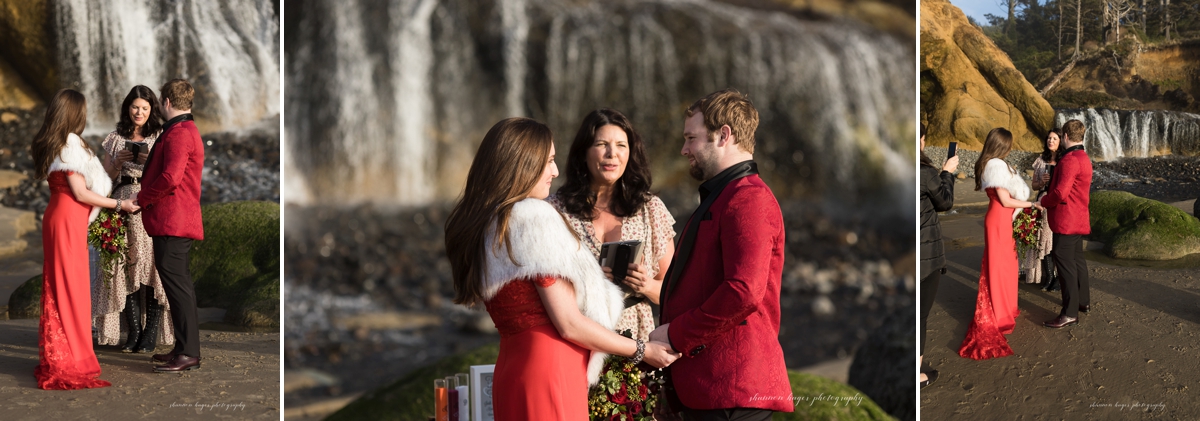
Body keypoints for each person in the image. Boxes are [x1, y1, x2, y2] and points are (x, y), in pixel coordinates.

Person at [444, 117, 680, 419]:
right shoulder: (534, 219)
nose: (555, 172)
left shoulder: (491, 223)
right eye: (548, 162)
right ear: (522, 164)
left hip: (510, 371)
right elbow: (569, 323)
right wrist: (642, 350)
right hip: (551, 371)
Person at [650, 89, 793, 419]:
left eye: (691, 138)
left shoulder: (749, 199)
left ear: (724, 135)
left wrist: (675, 334)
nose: (684, 149)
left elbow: (744, 292)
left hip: (732, 393)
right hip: (716, 391)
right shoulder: (728, 195)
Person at [30, 89, 139, 389]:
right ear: (75, 113)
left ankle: (64, 353)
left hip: (59, 216)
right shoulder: (70, 145)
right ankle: (72, 358)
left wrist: (114, 166)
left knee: (62, 286)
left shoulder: (56, 143)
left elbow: (83, 184)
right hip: (67, 219)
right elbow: (80, 193)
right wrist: (121, 204)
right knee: (71, 289)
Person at [547, 108, 676, 344]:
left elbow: (675, 293)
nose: (612, 154)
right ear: (583, 152)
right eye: (601, 144)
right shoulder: (555, 210)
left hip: (638, 339)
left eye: (621, 145)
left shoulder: (651, 209)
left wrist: (645, 286)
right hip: (578, 337)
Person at [94, 85, 175, 353]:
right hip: (120, 206)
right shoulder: (115, 138)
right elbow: (103, 179)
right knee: (125, 267)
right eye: (134, 107)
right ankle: (134, 332)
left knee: (151, 267)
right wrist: (117, 161)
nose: (139, 112)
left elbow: (169, 173)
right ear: (127, 108)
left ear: (152, 109)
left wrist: (147, 160)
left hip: (150, 204)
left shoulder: (161, 135)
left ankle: (150, 331)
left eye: (144, 108)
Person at [136, 79, 205, 372]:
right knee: (179, 286)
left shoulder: (179, 133)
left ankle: (188, 352)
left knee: (178, 288)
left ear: (165, 102)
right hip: (174, 220)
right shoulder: (184, 130)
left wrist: (142, 198)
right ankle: (182, 347)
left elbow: (170, 178)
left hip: (173, 221)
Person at [958, 128, 1039, 360]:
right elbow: (1004, 200)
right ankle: (1000, 314)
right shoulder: (995, 165)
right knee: (999, 267)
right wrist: (1032, 206)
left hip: (999, 218)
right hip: (999, 219)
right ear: (1003, 145)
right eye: (1009, 144)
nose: (1011, 148)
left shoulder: (990, 163)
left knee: (1006, 266)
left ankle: (1006, 309)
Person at [1040, 119, 1093, 329]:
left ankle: (1070, 312)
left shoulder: (1070, 159)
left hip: (1067, 219)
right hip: (1079, 217)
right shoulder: (1084, 157)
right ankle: (1083, 301)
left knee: (1064, 261)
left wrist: (1043, 201)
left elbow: (1061, 193)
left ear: (1065, 137)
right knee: (1077, 260)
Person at [918, 124, 957, 388]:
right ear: (920, 140)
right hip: (926, 254)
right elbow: (945, 202)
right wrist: (947, 173)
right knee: (920, 315)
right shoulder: (924, 171)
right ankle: (917, 374)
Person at [1027, 129, 1061, 291]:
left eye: (1054, 138)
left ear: (1061, 140)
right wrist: (1041, 182)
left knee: (1056, 242)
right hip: (1042, 203)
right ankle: (1049, 276)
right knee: (1044, 239)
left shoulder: (1064, 160)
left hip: (1058, 204)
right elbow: (1034, 186)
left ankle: (1057, 277)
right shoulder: (1040, 160)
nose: (1051, 141)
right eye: (1049, 138)